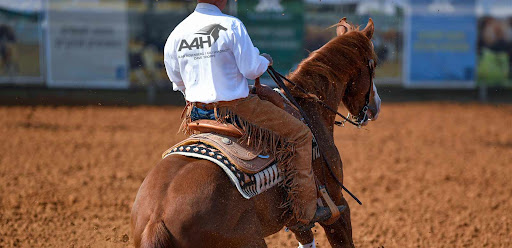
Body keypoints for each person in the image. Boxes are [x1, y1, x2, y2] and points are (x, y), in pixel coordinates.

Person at [164, 0, 322, 226]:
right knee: (301, 135)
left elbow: (177, 81)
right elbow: (251, 69)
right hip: (238, 110)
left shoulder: (177, 33)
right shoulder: (231, 25)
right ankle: (305, 212)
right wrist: (264, 61)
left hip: (196, 113)